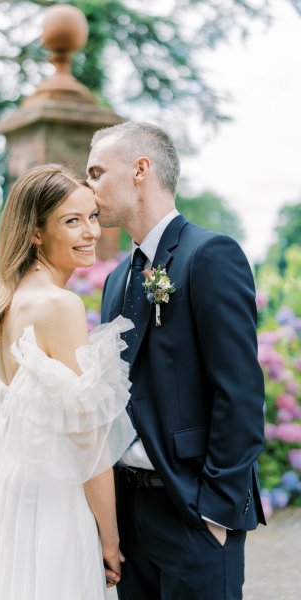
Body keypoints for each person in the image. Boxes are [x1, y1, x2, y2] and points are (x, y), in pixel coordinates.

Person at [0, 164, 136, 600]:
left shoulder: (10, 300)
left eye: (92, 217)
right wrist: (110, 538)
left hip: (8, 494)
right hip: (54, 502)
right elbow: (87, 439)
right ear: (36, 233)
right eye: (72, 220)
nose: (91, 232)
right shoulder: (58, 305)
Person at [86, 122, 266, 600]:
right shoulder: (117, 278)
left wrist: (216, 512)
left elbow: (240, 392)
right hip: (129, 516)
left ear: (141, 170)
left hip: (193, 514)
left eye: (97, 173)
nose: (88, 188)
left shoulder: (210, 255)